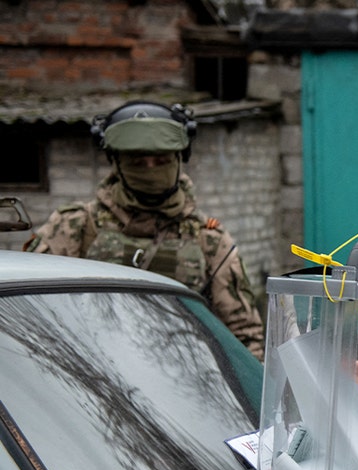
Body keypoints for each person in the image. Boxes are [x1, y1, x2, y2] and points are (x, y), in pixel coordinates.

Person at [24, 100, 264, 358]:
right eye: (138, 163)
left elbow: (245, 338)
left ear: (179, 159)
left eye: (161, 161)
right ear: (116, 162)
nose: (150, 170)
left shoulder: (209, 239)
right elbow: (33, 316)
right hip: (92, 375)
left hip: (188, 380)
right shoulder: (74, 227)